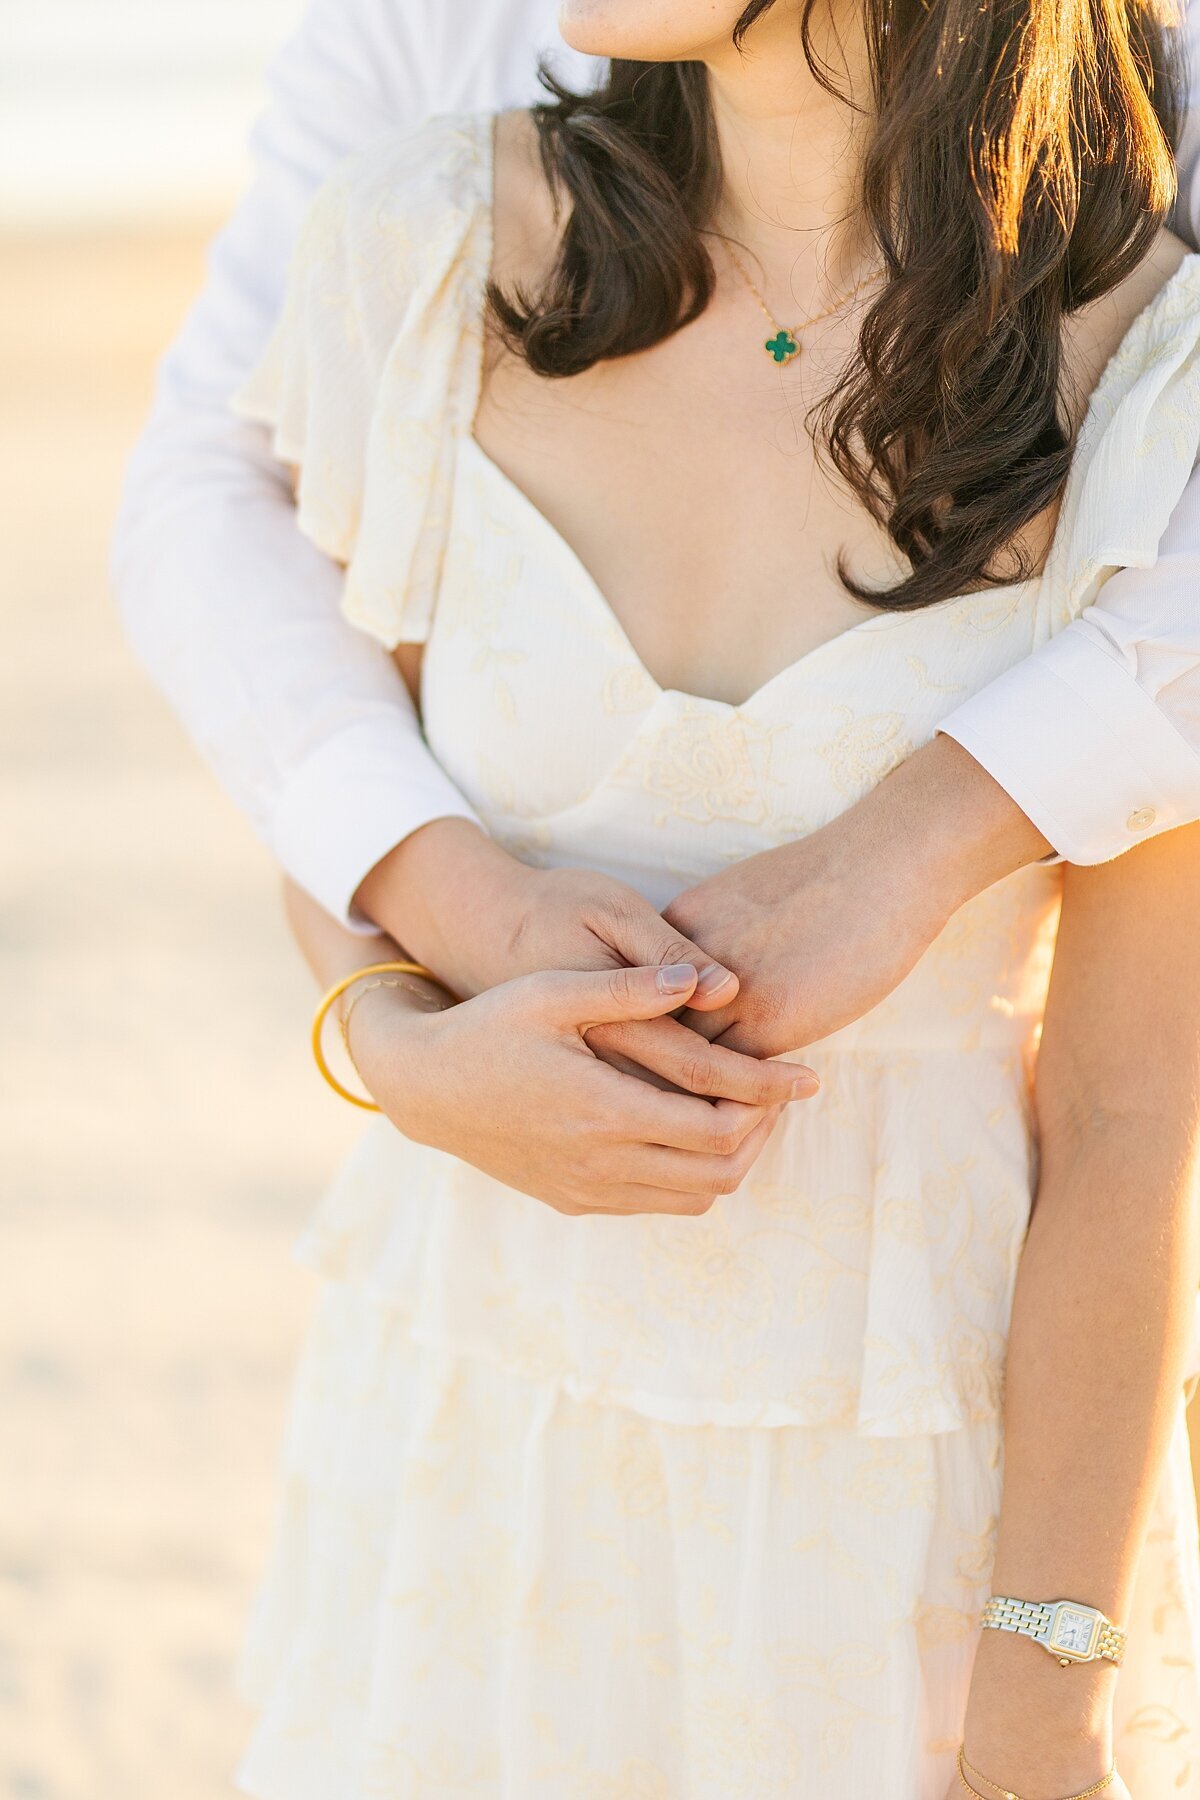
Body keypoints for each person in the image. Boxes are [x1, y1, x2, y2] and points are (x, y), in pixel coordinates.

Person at [120, 0, 1200, 1795]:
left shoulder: (1148, 366)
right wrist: (398, 1033)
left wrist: (1045, 1693)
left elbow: (1131, 1111)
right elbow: (337, 795)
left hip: (901, 1501)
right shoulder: (432, 241)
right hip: (467, 1452)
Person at [112, 0, 1200, 1169]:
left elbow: (1127, 1113)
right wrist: (404, 1002)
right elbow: (239, 509)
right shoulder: (430, 222)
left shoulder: (1136, 312)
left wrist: (923, 841)